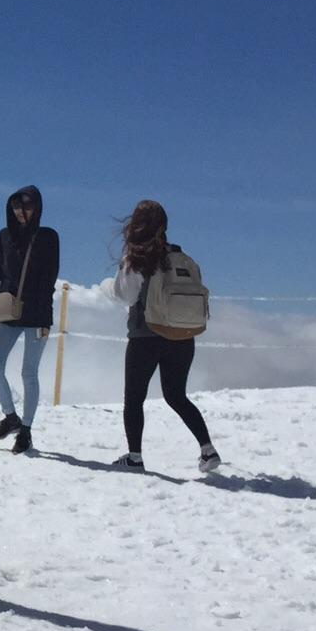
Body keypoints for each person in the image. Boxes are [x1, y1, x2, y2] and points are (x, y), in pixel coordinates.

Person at [115, 199, 221, 474]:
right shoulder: (183, 259)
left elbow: (126, 295)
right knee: (176, 396)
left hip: (145, 337)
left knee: (134, 399)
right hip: (181, 335)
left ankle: (135, 456)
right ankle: (208, 449)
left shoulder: (136, 260)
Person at [0, 185, 59, 454]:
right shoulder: (4, 237)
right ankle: (11, 417)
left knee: (29, 372)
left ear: (37, 207)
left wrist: (40, 311)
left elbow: (49, 277)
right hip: (8, 313)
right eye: (16, 205)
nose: (21, 211)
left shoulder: (48, 237)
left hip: (38, 315)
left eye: (26, 205)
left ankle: (25, 430)